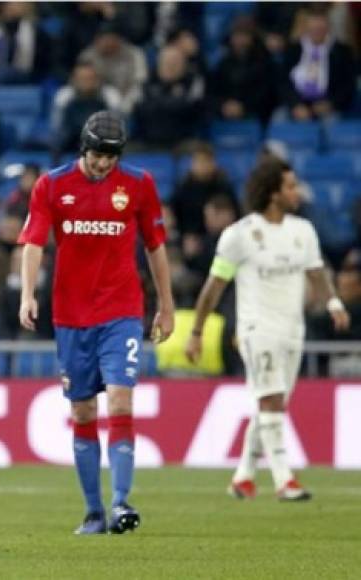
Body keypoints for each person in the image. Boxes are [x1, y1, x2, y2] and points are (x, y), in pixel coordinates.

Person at [18, 111, 175, 535]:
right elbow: (33, 242)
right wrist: (28, 293)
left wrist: (166, 303)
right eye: (99, 155)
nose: (106, 164)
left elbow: (155, 246)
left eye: (113, 156)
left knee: (121, 402)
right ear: (83, 148)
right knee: (83, 409)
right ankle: (93, 511)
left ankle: (122, 503)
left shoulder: (139, 185)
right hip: (70, 314)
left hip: (121, 310)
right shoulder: (52, 184)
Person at [184, 157, 350, 501]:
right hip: (256, 329)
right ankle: (284, 479)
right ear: (273, 193)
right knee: (271, 400)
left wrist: (333, 303)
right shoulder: (239, 235)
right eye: (290, 186)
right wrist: (196, 331)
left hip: (292, 329)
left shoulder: (302, 231)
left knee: (272, 404)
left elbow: (317, 272)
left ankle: (243, 476)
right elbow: (213, 287)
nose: (296, 191)